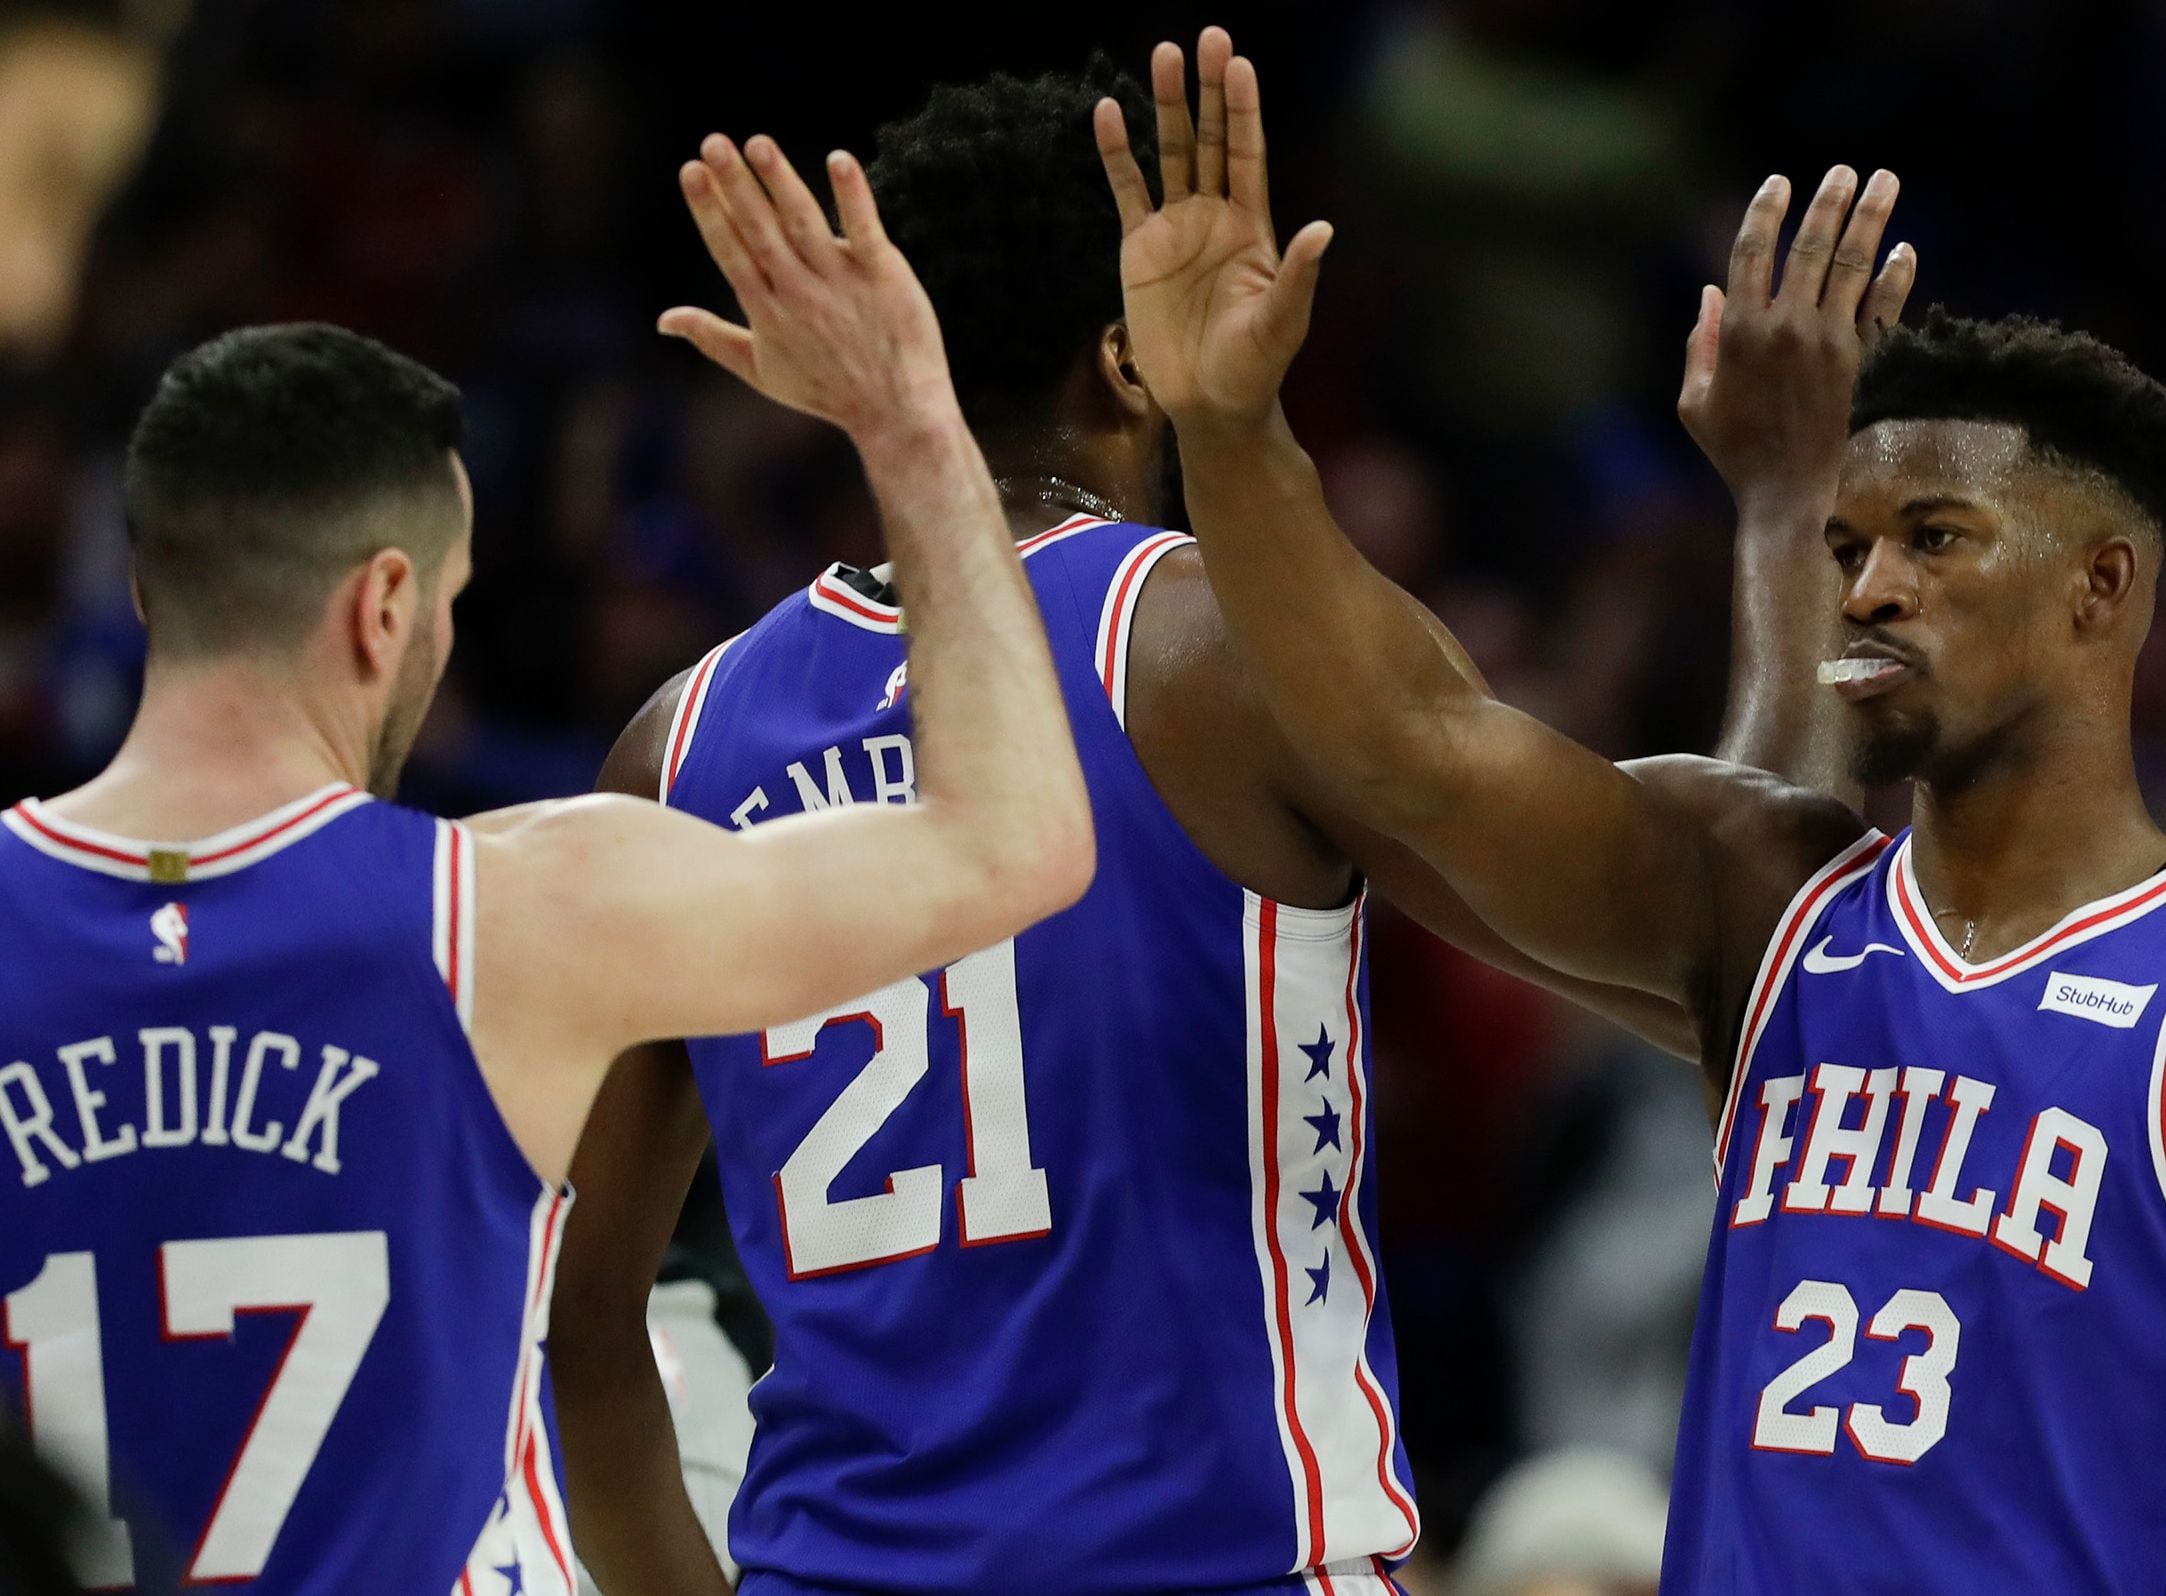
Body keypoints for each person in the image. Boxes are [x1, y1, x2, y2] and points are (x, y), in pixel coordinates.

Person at [551, 42, 1916, 1596]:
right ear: (1127, 363)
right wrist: (1791, 496)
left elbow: (585, 1338)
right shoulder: (1208, 650)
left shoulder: (678, 746)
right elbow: (1743, 944)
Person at [1098, 26, 2166, 1593]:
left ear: (2098, 588)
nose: (1872, 586)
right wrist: (1235, 432)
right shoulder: (1773, 915)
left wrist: (1790, 496)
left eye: (1933, 536)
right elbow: (1415, 748)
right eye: (1845, 549)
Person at [0, 139, 1094, 1594]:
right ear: (389, 605)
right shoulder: (512, 913)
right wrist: (909, 430)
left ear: (145, 587)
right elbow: (1019, 841)